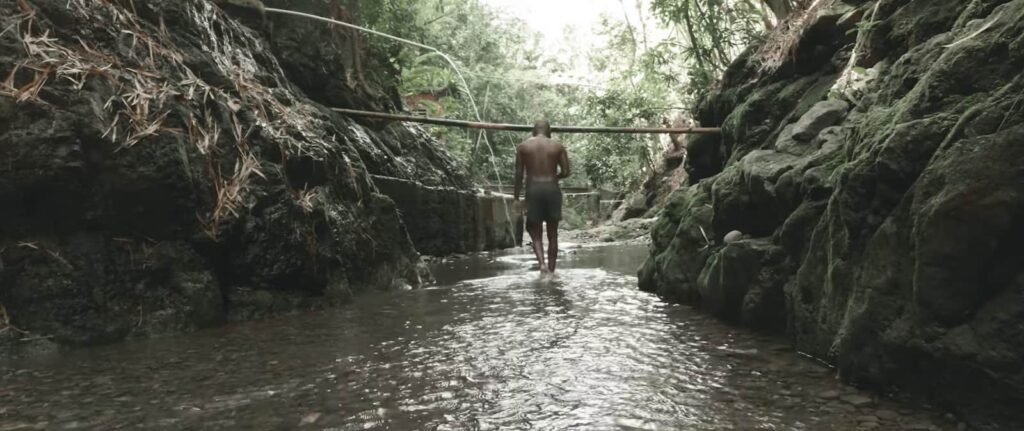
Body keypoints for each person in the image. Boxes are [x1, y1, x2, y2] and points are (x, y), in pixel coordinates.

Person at [513, 120, 570, 275]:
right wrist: (554, 177)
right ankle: (551, 271)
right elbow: (566, 172)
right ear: (548, 131)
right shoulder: (558, 146)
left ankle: (542, 265)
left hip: (533, 190)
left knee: (534, 229)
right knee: (553, 233)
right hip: (552, 189)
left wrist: (516, 197)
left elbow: (518, 174)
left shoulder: (523, 147)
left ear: (534, 131)